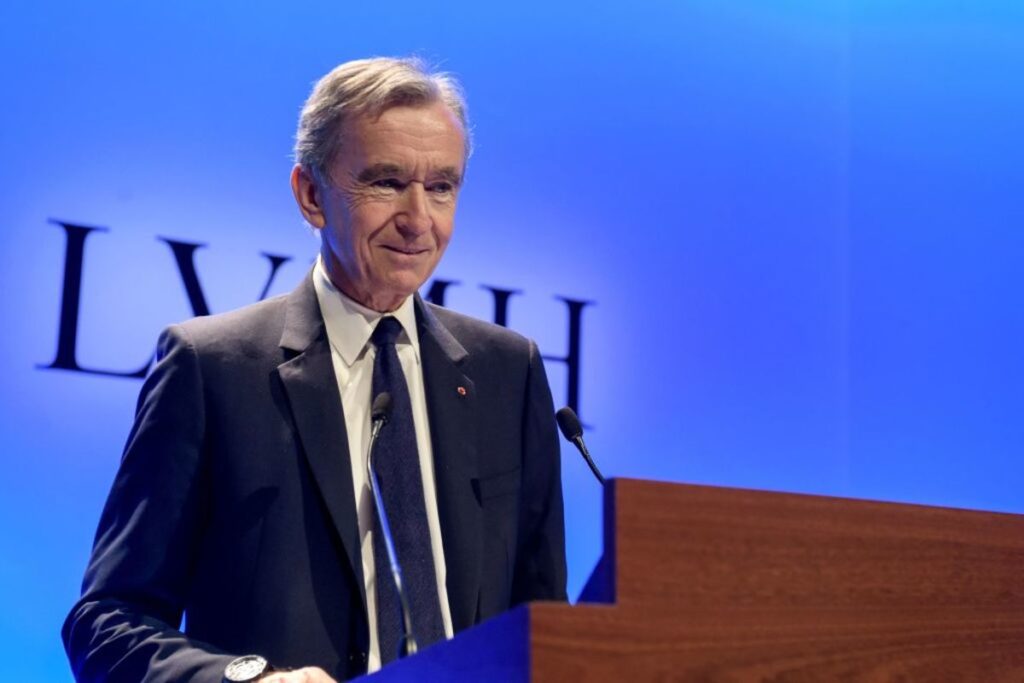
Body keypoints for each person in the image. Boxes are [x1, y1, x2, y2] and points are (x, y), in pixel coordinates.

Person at [62, 57, 567, 683]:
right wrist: (248, 680)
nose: (418, 220)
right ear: (310, 195)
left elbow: (546, 622)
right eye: (385, 183)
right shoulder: (212, 368)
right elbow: (107, 621)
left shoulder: (506, 372)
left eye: (442, 187)